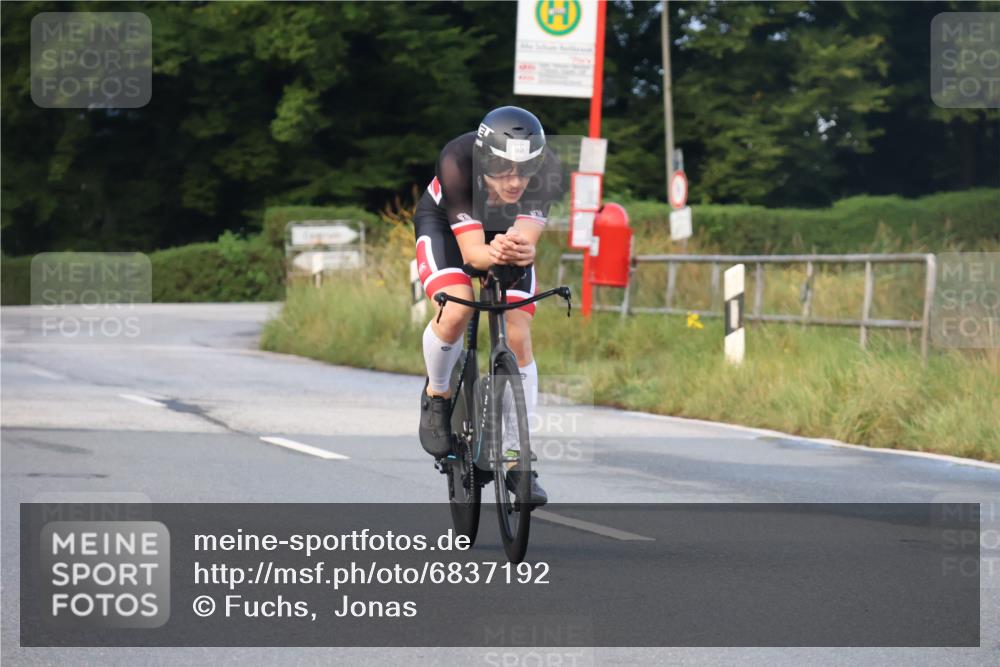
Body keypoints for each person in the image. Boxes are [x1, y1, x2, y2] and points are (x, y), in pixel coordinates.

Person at [413, 106, 562, 506]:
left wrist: (515, 248)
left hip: (506, 235)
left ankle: (517, 459)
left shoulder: (548, 169)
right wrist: (491, 252)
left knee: (518, 332)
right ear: (484, 161)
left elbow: (527, 239)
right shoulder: (458, 160)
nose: (515, 182)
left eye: (524, 171)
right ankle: (438, 394)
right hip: (448, 228)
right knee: (458, 310)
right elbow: (474, 253)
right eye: (502, 171)